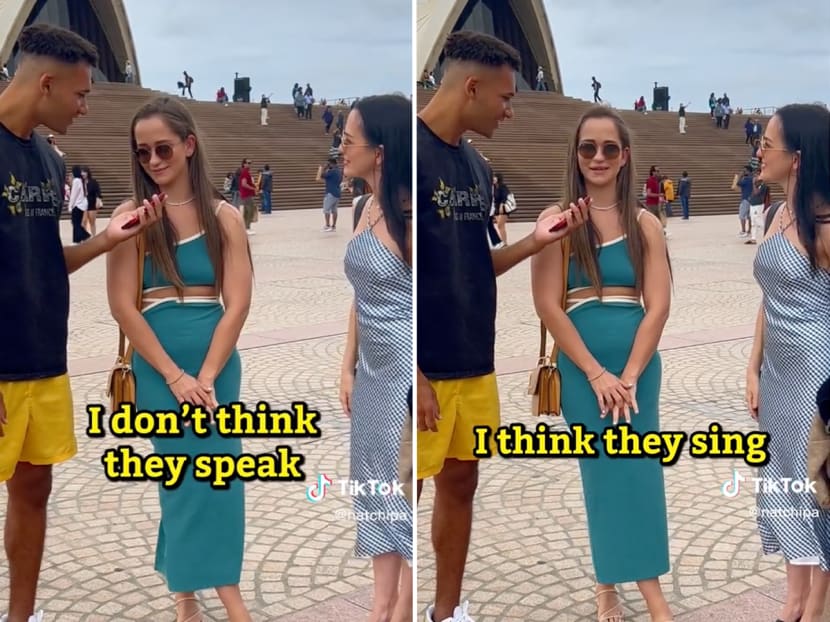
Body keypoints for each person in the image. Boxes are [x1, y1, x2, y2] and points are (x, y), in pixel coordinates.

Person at [417, 31, 588, 622]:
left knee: (461, 483)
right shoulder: (407, 158)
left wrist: (536, 242)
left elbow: (479, 260)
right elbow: (390, 276)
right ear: (471, 87)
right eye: (505, 97)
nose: (511, 110)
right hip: (425, 367)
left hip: (474, 358)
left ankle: (446, 610)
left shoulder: (476, 166)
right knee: (403, 486)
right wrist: (410, 372)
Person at [0, 24, 161, 622]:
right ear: (46, 83)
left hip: (41, 358)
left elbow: (47, 261)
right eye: (80, 93)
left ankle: (22, 615)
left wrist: (105, 241)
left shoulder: (46, 158)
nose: (85, 106)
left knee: (33, 489)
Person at [106, 96, 254, 622]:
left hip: (217, 374)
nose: (153, 160)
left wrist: (207, 376)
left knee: (214, 476)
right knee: (187, 477)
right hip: (158, 373)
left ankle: (186, 596)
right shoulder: (130, 217)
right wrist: (174, 375)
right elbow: (122, 305)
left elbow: (238, 302)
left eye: (163, 148)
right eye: (142, 152)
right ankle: (229, 604)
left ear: (189, 146)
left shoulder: (225, 217)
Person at [531, 105, 673, 622]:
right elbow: (548, 304)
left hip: (638, 373)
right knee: (604, 475)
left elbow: (658, 305)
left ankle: (615, 583)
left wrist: (630, 374)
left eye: (609, 148)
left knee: (638, 474)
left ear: (624, 156)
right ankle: (641, 598)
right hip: (582, 372)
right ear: (575, 153)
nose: (598, 157)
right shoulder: (558, 220)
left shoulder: (645, 224)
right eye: (588, 147)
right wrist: (595, 372)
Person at [746, 103, 830, 622]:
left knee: (814, 487)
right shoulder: (779, 214)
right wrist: (752, 368)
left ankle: (812, 606)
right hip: (777, 379)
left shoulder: (824, 225)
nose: (759, 150)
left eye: (768, 144)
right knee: (782, 485)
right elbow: (768, 299)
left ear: (797, 159)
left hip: (816, 377)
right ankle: (793, 599)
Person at [338, 94, 413, 622]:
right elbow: (361, 295)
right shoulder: (366, 208)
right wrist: (346, 365)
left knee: (406, 497)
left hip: (407, 378)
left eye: (348, 141)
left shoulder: (411, 214)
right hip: (370, 379)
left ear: (380, 152)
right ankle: (379, 607)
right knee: (376, 494)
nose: (340, 149)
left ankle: (400, 611)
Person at [316, 157, 342, 232]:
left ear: (331, 163)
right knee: (334, 210)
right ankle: (333, 226)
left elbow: (319, 177)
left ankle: (327, 225)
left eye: (328, 164)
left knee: (326, 210)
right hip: (337, 193)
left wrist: (322, 168)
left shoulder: (332, 171)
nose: (327, 165)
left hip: (330, 193)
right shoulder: (338, 171)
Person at [81, 166, 101, 236]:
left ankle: (94, 236)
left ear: (87, 173)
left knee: (92, 222)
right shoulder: (80, 182)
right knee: (83, 222)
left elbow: (98, 191)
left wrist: (98, 199)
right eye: (82, 172)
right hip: (83, 204)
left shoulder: (93, 182)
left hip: (92, 203)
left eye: (84, 172)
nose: (83, 174)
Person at [491, 172, 511, 243]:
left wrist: (502, 205)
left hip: (503, 209)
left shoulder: (502, 186)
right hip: (496, 209)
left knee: (500, 225)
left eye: (495, 177)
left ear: (498, 178)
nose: (493, 178)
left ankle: (505, 243)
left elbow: (505, 196)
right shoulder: (493, 187)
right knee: (500, 227)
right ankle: (503, 242)